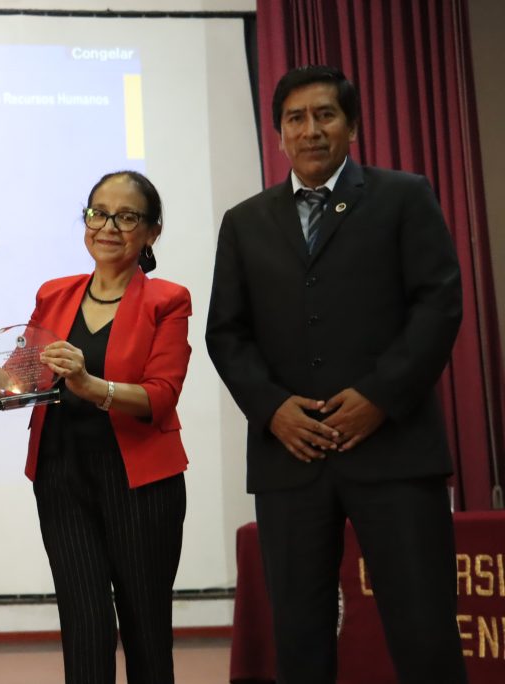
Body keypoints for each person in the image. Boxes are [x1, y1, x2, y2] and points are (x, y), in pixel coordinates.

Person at [205, 65, 467, 683]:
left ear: (352, 125)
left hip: (394, 450)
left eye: (325, 115)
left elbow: (439, 303)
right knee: (300, 642)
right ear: (278, 135)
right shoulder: (245, 221)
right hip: (291, 457)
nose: (311, 130)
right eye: (295, 119)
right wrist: (273, 409)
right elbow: (226, 333)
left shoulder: (404, 196)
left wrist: (379, 396)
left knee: (425, 635)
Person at [24, 171, 191, 684]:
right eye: (98, 213)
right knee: (85, 624)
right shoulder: (54, 294)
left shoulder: (168, 300)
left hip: (140, 481)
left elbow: (160, 397)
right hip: (61, 475)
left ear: (152, 232)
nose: (108, 227)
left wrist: (90, 384)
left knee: (145, 626)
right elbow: (21, 377)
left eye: (126, 217)